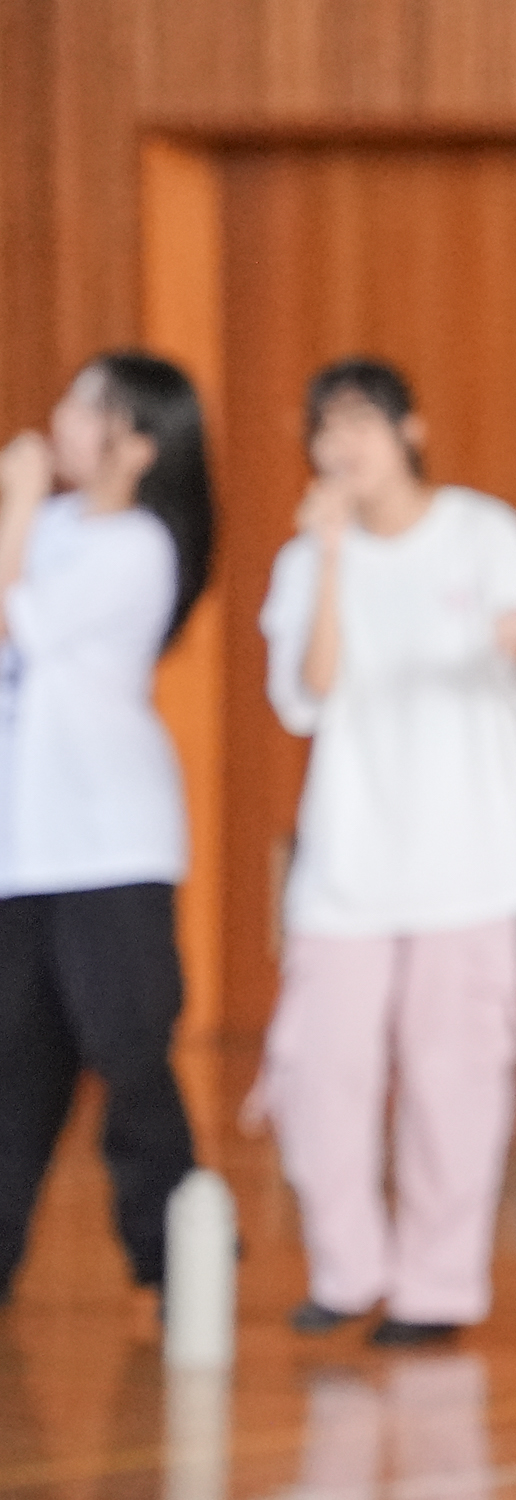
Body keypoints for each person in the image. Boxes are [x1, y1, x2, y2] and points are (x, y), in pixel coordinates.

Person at [251, 357, 516, 1349]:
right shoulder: (306, 558)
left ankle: (437, 1286)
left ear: (410, 430)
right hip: (348, 861)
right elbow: (306, 693)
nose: (341, 445)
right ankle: (347, 1269)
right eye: (324, 429)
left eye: (359, 422)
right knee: (321, 1073)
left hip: (466, 861)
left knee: (453, 1081)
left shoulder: (483, 531)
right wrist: (330, 558)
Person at [0, 352, 214, 1312]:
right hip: (24, 846)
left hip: (111, 847)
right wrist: (25, 510)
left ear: (137, 446)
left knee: (127, 1056)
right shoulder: (45, 526)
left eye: (87, 408)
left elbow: (22, 622)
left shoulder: (140, 546)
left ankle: (177, 1262)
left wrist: (16, 501)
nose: (61, 419)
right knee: (16, 1068)